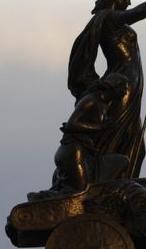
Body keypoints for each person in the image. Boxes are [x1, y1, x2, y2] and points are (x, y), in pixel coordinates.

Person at [68, 0, 146, 179]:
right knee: (115, 139)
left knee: (136, 147)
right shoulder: (108, 17)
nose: (128, 1)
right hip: (121, 87)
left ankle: (125, 185)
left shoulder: (113, 20)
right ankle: (105, 185)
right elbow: (137, 13)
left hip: (132, 87)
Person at [27, 73, 130, 201]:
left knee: (122, 161)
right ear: (114, 86)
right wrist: (99, 127)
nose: (125, 92)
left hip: (86, 153)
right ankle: (40, 197)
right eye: (124, 88)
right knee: (78, 193)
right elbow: (72, 123)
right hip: (73, 152)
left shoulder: (104, 104)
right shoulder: (92, 100)